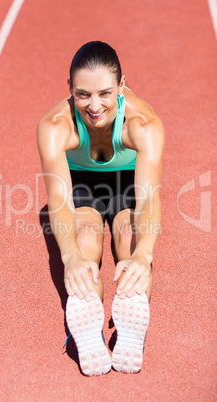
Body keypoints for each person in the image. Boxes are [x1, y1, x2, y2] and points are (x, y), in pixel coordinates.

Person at [37, 41, 165, 376]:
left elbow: (149, 197)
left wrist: (144, 255)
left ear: (122, 86)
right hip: (80, 183)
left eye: (105, 93)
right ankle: (87, 323)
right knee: (86, 240)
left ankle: (132, 316)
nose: (94, 106)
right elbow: (60, 198)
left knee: (129, 236)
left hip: (127, 182)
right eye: (83, 95)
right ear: (70, 89)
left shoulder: (144, 124)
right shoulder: (54, 127)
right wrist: (70, 258)